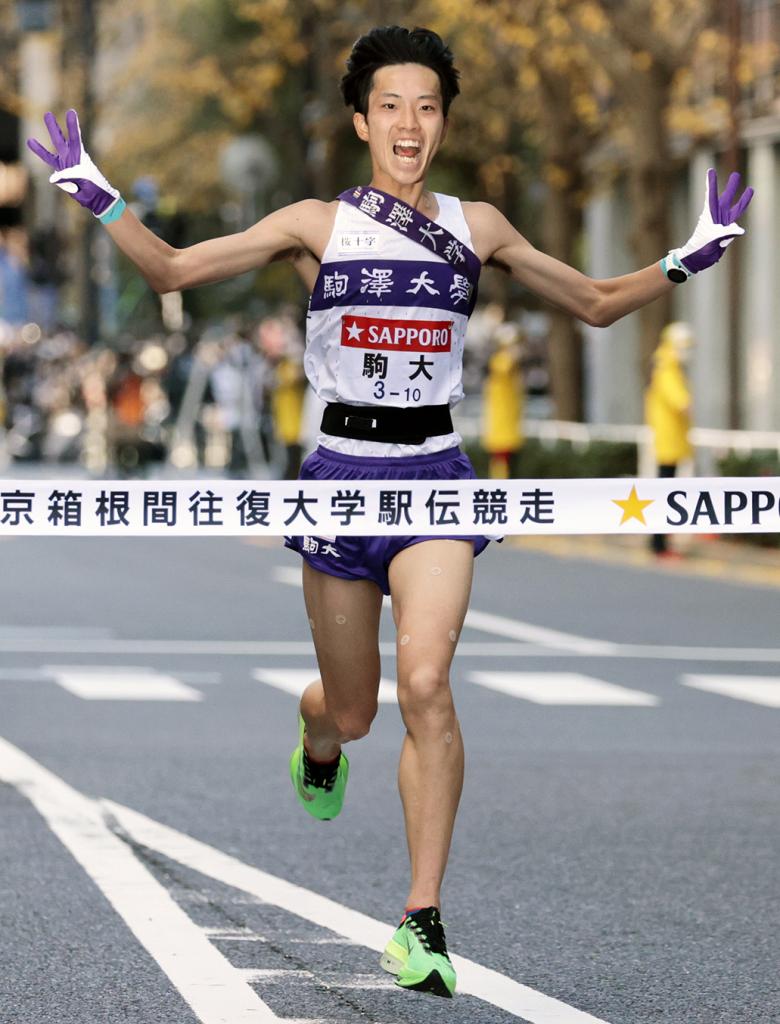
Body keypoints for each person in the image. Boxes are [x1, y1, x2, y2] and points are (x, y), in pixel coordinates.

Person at [28, 24, 753, 999]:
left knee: (427, 684)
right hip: (339, 478)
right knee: (360, 708)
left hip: (433, 478)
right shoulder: (317, 225)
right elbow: (170, 270)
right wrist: (96, 193)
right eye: (392, 107)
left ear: (443, 122)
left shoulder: (478, 224)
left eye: (427, 107)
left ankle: (422, 919)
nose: (410, 124)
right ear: (362, 121)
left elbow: (587, 300)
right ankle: (317, 732)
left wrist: (689, 257)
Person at [645, 321, 694, 557]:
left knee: (666, 489)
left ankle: (661, 542)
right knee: (666, 491)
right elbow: (679, 400)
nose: (687, 352)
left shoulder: (665, 364)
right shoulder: (667, 366)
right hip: (668, 439)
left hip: (670, 438)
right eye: (684, 346)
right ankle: (659, 543)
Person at [481, 320, 525, 478]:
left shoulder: (506, 364)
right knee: (501, 467)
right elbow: (506, 364)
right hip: (501, 426)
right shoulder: (500, 362)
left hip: (509, 425)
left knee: (509, 465)